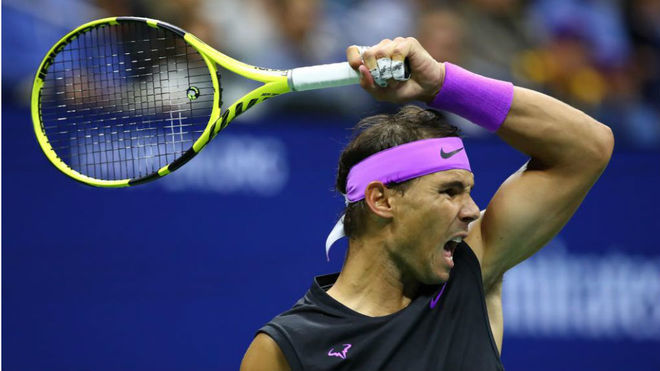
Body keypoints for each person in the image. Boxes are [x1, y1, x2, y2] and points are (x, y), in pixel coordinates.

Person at [240, 37, 614, 370]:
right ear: (381, 199)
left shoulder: (473, 271)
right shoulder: (286, 349)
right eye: (449, 192)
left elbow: (588, 148)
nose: (470, 211)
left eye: (468, 191)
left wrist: (440, 84)